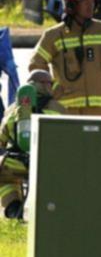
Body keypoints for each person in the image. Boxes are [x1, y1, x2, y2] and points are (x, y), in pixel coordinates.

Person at [0, 70, 65, 219]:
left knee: (4, 177)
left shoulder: (12, 110)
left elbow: (1, 141)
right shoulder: (57, 108)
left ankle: (13, 208)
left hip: (17, 165)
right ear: (44, 85)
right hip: (48, 166)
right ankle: (52, 211)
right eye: (50, 84)